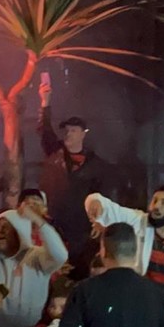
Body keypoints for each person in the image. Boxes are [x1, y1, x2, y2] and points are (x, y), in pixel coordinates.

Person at [85, 186, 164, 327]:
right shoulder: (139, 221)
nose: (156, 206)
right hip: (137, 310)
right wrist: (96, 202)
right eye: (155, 200)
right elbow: (112, 210)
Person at [37, 80, 116, 258]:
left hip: (81, 229)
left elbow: (103, 197)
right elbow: (44, 130)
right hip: (54, 223)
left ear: (83, 133)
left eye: (73, 130)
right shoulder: (54, 153)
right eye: (66, 130)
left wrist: (100, 221)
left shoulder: (96, 165)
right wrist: (45, 102)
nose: (68, 133)